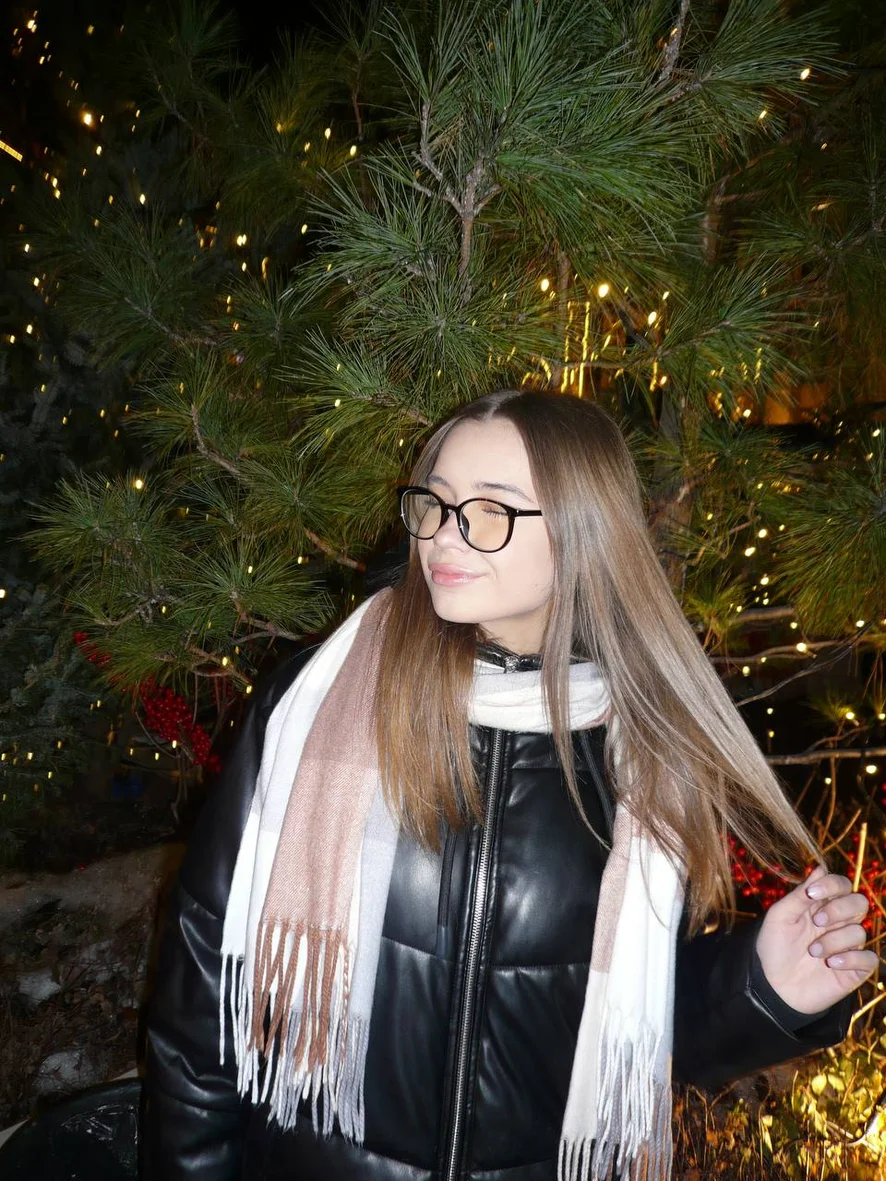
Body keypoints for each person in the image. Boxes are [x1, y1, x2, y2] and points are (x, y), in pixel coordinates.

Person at [141, 390, 874, 1181]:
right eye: (437, 501)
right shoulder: (326, 705)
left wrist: (760, 987)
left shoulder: (646, 756)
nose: (443, 535)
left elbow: (630, 1033)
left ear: (584, 530)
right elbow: (200, 1014)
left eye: (491, 509)